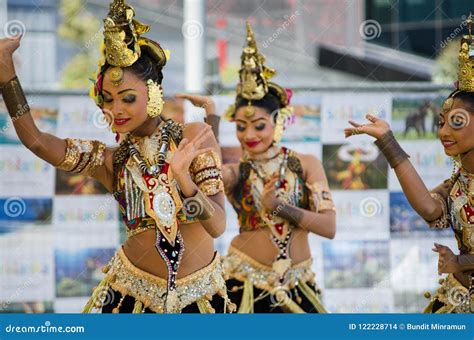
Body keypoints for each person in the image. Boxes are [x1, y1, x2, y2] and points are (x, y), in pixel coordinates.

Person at [0, 0, 234, 313]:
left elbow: (217, 225)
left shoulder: (192, 137)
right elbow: (39, 142)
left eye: (128, 98)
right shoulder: (109, 161)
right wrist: (6, 77)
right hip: (130, 299)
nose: (116, 109)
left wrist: (184, 179)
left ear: (153, 94)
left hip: (201, 299)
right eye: (108, 100)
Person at [182, 22, 336, 313]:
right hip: (244, 286)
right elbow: (205, 171)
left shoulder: (306, 164)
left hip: (299, 285)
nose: (249, 135)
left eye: (259, 125)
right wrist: (211, 118)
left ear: (279, 121)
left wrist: (281, 207)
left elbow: (329, 227)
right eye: (241, 127)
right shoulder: (236, 172)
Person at [344, 16, 474, 313]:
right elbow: (429, 208)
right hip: (458, 302)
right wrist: (388, 142)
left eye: (456, 122)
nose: (443, 132)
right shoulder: (459, 182)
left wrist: (460, 261)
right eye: (441, 123)